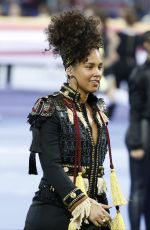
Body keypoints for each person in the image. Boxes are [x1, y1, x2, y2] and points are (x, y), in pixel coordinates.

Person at [24, 10, 112, 230]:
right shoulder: (48, 108)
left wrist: (96, 206)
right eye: (88, 66)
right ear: (69, 69)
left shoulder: (99, 108)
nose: (97, 73)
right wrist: (83, 203)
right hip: (54, 214)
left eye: (99, 66)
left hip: (94, 211)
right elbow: (51, 167)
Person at [125, 31, 150, 230]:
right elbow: (134, 111)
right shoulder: (139, 73)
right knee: (139, 189)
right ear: (147, 46)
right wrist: (135, 142)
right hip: (142, 133)